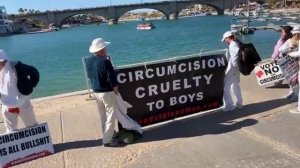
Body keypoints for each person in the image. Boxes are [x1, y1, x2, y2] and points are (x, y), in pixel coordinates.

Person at [85, 38, 142, 147]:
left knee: (103, 116)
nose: (106, 50)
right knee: (110, 116)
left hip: (96, 92)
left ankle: (106, 134)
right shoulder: (105, 61)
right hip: (107, 92)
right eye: (105, 48)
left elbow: (89, 76)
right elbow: (112, 78)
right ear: (102, 50)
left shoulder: (88, 60)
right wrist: (116, 89)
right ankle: (107, 140)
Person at [0, 49, 38, 133]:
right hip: (7, 105)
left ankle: (37, 144)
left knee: (32, 126)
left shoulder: (17, 66)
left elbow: (34, 72)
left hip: (23, 101)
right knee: (11, 131)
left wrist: (31, 86)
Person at [221, 31, 242, 111]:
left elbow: (235, 56)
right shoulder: (236, 43)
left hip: (233, 69)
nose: (225, 42)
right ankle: (239, 103)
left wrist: (234, 66)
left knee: (226, 88)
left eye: (224, 40)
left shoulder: (232, 45)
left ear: (227, 38)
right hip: (236, 69)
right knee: (235, 86)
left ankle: (230, 106)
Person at [278, 25, 300, 101]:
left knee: (296, 80)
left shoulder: (297, 41)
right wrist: (289, 49)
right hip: (292, 64)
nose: (295, 35)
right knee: (292, 80)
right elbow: (280, 49)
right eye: (294, 34)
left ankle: (295, 95)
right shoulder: (289, 41)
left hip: (296, 63)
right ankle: (292, 93)